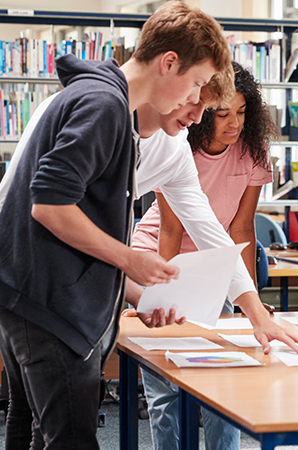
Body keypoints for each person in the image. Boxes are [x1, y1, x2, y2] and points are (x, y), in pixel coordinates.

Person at [0, 2, 230, 448]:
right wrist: (132, 259)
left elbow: (79, 218)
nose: (192, 101)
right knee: (70, 438)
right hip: (49, 303)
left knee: (36, 432)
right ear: (168, 63)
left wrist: (135, 291)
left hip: (41, 297)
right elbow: (48, 205)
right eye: (196, 84)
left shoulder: (110, 105)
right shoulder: (104, 104)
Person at [128, 62, 298, 450]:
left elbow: (239, 230)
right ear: (200, 113)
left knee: (225, 380)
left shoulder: (252, 151)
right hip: (160, 255)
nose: (234, 124)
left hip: (216, 261)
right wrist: (162, 295)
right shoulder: (176, 148)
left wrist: (250, 306)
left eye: (243, 113)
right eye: (223, 114)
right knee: (166, 386)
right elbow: (172, 230)